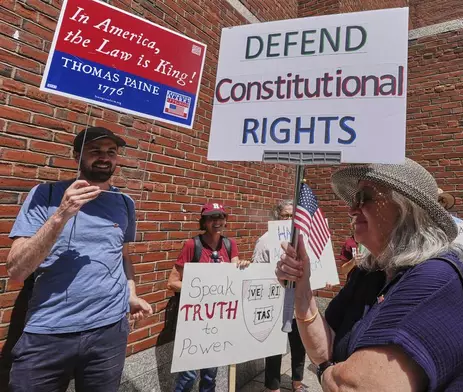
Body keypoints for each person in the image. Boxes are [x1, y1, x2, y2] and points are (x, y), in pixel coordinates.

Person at [275, 158, 463, 391]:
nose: (351, 209)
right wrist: (302, 288)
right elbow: (326, 347)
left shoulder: (437, 277)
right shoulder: (369, 273)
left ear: (405, 209)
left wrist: (331, 375)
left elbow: (353, 387)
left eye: (363, 198)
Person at [6, 126, 153, 392]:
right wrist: (61, 214)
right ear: (77, 157)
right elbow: (16, 270)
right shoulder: (46, 195)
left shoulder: (125, 202)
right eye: (95, 151)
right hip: (48, 332)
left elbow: (123, 256)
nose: (104, 157)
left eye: (111, 152)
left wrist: (131, 294)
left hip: (109, 331)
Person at [167, 201, 249, 392]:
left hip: (217, 321)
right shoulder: (192, 245)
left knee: (210, 375)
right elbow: (172, 282)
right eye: (211, 217)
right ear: (203, 222)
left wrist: (243, 267)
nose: (216, 221)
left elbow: (234, 276)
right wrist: (203, 288)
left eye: (220, 216)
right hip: (193, 320)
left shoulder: (230, 245)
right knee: (188, 375)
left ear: (225, 220)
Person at [252, 200, 308, 392]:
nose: (290, 219)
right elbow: (257, 271)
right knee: (274, 349)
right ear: (277, 217)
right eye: (286, 215)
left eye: (293, 216)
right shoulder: (265, 240)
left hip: (298, 303)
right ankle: (272, 386)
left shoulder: (303, 240)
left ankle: (297, 383)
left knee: (299, 345)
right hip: (275, 303)